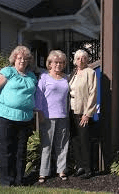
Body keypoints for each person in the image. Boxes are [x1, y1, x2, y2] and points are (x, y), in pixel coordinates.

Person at [0, 45, 37, 186]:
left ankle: (19, 180)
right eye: (19, 57)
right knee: (6, 150)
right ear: (14, 58)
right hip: (5, 116)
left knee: (21, 150)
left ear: (28, 61)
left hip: (25, 117)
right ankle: (7, 182)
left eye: (25, 58)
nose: (22, 60)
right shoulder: (7, 72)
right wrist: (3, 101)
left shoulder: (31, 76)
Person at [35, 50, 70, 183]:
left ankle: (61, 170)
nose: (58, 65)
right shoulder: (44, 77)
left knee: (62, 145)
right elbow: (38, 96)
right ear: (50, 63)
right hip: (47, 116)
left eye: (61, 62)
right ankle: (43, 172)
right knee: (46, 145)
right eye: (55, 62)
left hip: (63, 115)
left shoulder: (66, 77)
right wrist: (40, 113)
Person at [69, 49, 97, 179]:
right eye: (78, 58)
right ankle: (79, 166)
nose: (81, 60)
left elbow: (93, 93)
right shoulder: (73, 73)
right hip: (71, 110)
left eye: (84, 58)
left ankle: (88, 169)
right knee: (75, 139)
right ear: (75, 60)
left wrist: (87, 113)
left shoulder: (90, 73)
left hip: (82, 111)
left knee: (85, 140)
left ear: (87, 60)